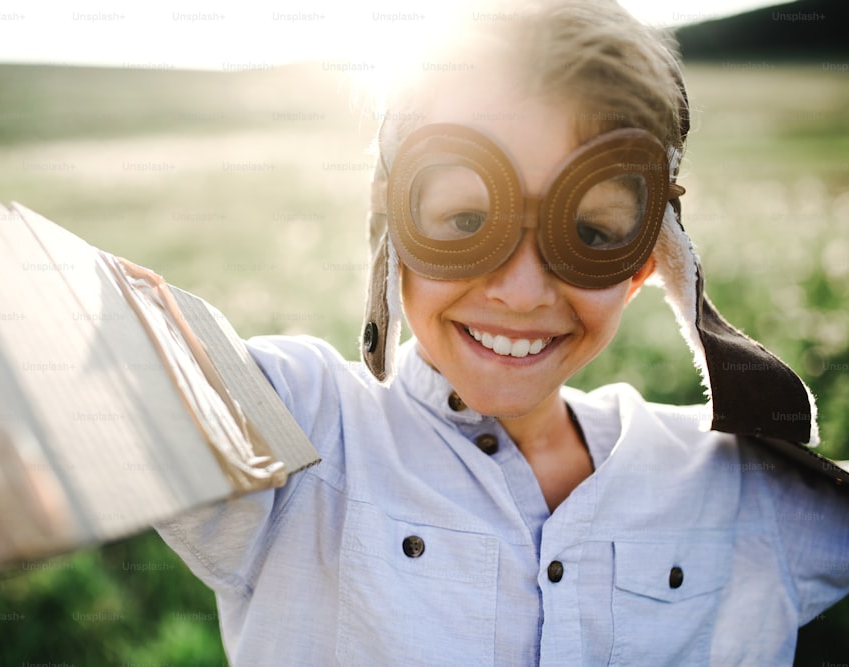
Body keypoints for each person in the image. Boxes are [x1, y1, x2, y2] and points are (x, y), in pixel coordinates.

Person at [156, 1, 849, 664]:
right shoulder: (304, 436)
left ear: (648, 262)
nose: (520, 292)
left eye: (589, 234)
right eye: (465, 222)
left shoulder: (735, 489)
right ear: (394, 228)